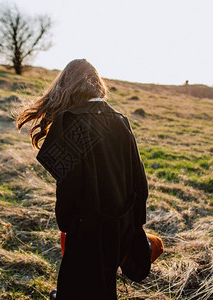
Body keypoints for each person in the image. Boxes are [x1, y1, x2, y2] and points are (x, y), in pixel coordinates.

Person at [16, 59, 149, 300]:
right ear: (97, 85)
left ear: (66, 86)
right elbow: (139, 178)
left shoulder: (70, 122)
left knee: (76, 288)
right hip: (121, 222)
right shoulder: (120, 120)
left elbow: (68, 185)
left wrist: (66, 223)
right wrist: (136, 223)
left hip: (86, 226)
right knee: (105, 284)